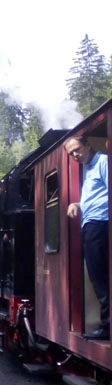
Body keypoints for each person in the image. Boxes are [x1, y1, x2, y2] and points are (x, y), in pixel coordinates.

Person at [65, 135, 110, 340]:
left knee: (99, 277)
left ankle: (107, 326)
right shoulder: (90, 169)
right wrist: (77, 204)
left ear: (88, 145)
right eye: (71, 153)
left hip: (99, 224)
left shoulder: (103, 162)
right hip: (92, 224)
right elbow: (97, 197)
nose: (75, 154)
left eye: (77, 149)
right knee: (97, 276)